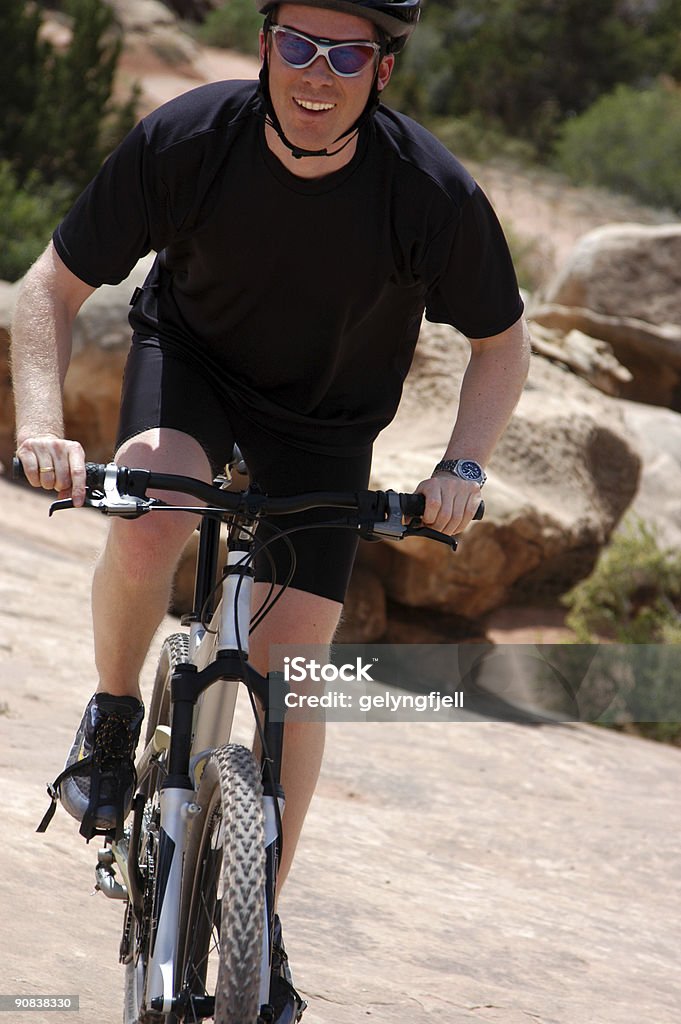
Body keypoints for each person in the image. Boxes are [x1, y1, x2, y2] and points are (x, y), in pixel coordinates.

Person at [11, 1, 530, 1019]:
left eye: (347, 55)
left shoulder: (428, 192)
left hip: (328, 418)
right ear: (263, 47)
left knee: (295, 668)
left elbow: (501, 342)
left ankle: (260, 917)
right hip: (189, 365)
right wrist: (43, 423)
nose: (316, 74)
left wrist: (464, 461)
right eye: (297, 45)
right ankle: (115, 715)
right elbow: (49, 288)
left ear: (382, 73)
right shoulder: (188, 140)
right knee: (154, 512)